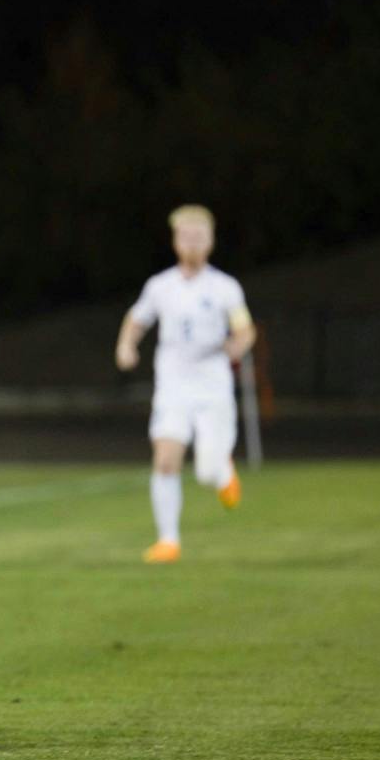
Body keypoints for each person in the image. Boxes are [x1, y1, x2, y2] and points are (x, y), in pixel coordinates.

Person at [114, 205, 255, 563]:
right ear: (176, 241)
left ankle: (223, 473)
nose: (191, 242)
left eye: (198, 236)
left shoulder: (224, 287)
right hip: (173, 386)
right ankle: (168, 541)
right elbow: (137, 318)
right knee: (165, 458)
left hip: (212, 387)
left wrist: (238, 344)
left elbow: (244, 328)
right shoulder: (160, 286)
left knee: (207, 469)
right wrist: (126, 344)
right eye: (185, 235)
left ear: (210, 241)